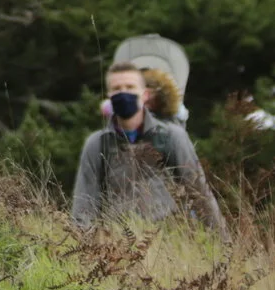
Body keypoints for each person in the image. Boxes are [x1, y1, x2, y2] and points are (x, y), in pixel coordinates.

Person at [72, 60, 230, 237]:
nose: (123, 93)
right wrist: (81, 246)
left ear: (145, 94)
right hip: (119, 245)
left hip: (171, 241)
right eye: (117, 88)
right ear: (108, 95)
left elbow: (198, 191)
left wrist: (223, 243)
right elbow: (84, 200)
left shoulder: (171, 137)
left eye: (130, 87)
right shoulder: (97, 144)